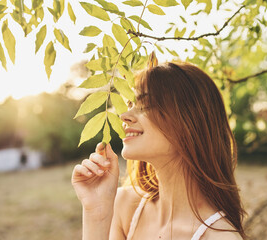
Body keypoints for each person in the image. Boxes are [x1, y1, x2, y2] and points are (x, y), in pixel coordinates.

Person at [71, 62, 247, 240]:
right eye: (130, 103)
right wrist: (96, 214)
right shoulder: (125, 205)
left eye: (146, 104)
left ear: (189, 121)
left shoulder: (220, 236)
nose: (124, 115)